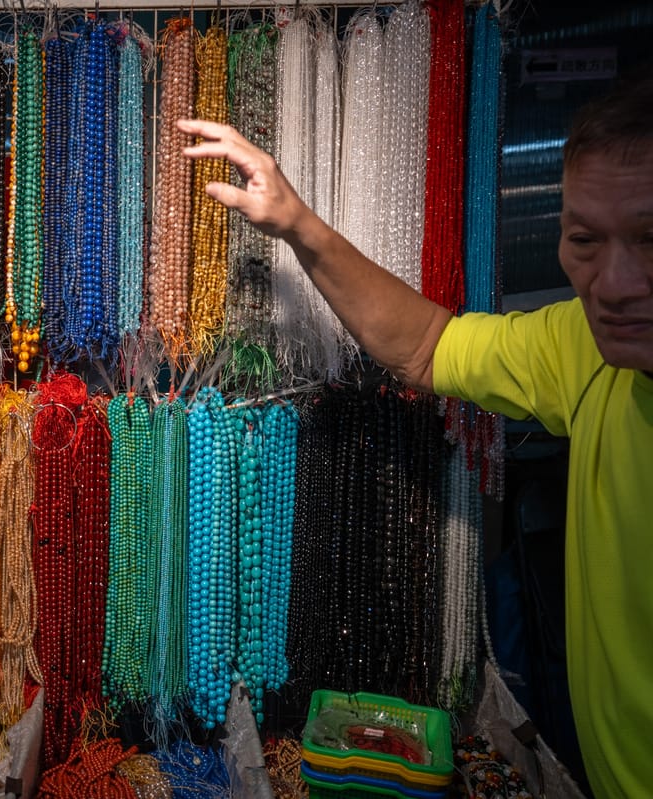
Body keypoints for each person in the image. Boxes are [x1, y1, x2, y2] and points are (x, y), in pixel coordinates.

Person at [178, 72, 652, 799]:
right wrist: (298, 222)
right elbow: (426, 345)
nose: (614, 282)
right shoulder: (582, 351)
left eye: (650, 238)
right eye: (584, 238)